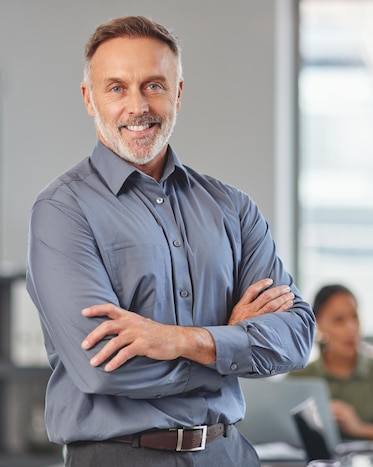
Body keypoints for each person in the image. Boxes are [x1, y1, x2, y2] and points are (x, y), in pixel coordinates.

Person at [25, 16, 315, 467]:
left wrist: (178, 340)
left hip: (228, 453)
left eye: (154, 86)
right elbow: (101, 367)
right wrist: (229, 344)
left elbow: (295, 337)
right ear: (89, 98)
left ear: (178, 92)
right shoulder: (63, 212)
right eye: (117, 88)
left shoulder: (232, 208)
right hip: (121, 457)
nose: (137, 106)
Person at [288, 284, 373, 441]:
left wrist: (359, 428)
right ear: (318, 325)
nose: (351, 328)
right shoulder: (298, 378)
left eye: (355, 317)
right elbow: (280, 432)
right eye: (339, 320)